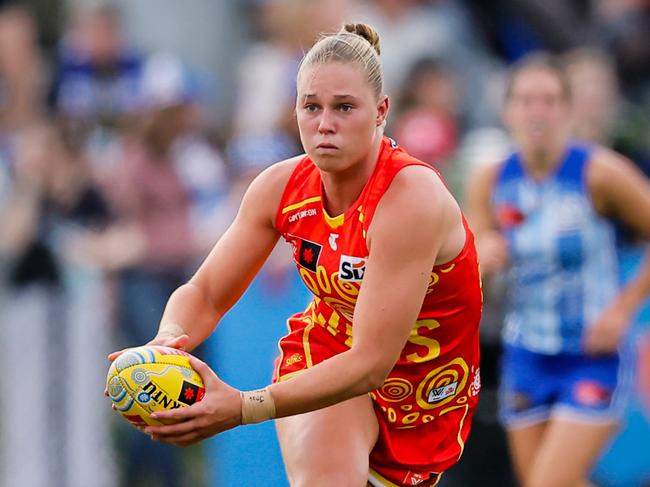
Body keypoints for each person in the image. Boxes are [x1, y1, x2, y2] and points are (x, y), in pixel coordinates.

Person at [109, 23, 482, 487]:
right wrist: (168, 340)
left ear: (381, 111)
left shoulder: (410, 198)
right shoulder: (278, 187)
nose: (325, 123)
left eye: (344, 107)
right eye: (312, 106)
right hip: (326, 359)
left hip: (426, 393)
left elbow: (371, 362)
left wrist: (244, 407)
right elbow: (204, 293)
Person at [465, 53, 650, 487]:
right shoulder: (490, 180)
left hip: (591, 354)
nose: (537, 111)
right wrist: (484, 258)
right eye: (526, 100)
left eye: (548, 100)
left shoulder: (599, 173)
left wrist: (621, 311)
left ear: (567, 109)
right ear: (507, 110)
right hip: (527, 352)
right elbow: (474, 278)